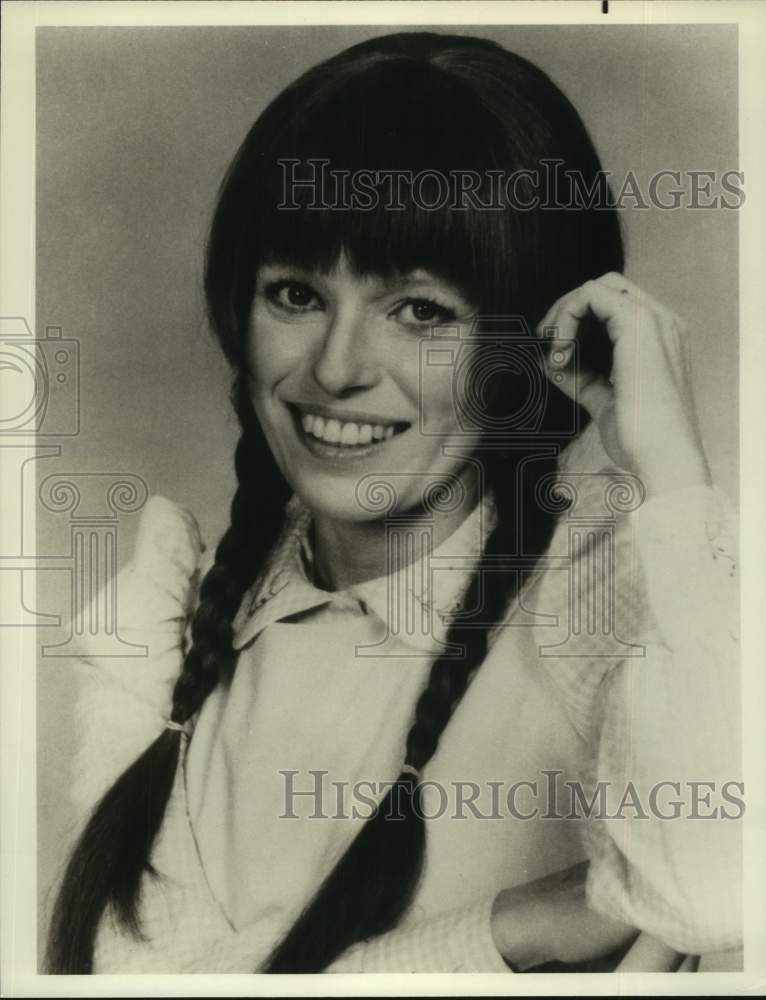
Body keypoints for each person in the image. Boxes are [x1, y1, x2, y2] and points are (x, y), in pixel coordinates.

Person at [45, 31, 741, 974]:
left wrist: (674, 471)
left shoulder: (615, 609)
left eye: (420, 311)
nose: (335, 370)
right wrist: (516, 925)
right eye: (294, 293)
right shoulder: (172, 619)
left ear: (526, 347)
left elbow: (713, 891)